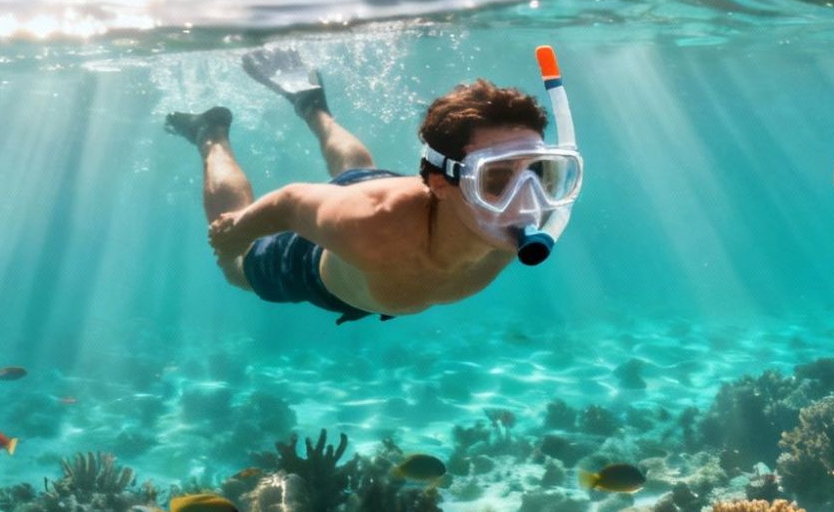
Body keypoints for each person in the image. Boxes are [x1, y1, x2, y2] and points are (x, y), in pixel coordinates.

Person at [165, 46, 583, 324]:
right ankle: (211, 131)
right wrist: (233, 234)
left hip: (385, 220)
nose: (527, 202)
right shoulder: (371, 227)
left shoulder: (508, 229)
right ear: (440, 182)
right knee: (236, 269)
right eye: (496, 179)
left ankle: (313, 107)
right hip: (316, 264)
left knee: (359, 170)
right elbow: (291, 204)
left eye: (541, 172)